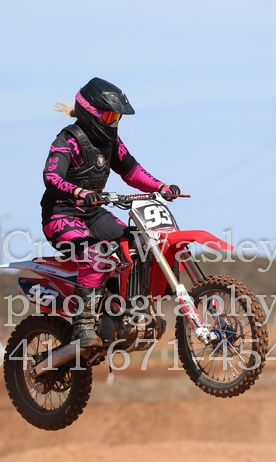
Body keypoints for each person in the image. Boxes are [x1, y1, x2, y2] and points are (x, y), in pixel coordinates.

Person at [41, 77, 180, 348]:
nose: (113, 122)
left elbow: (132, 172)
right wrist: (80, 192)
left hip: (93, 213)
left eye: (116, 117)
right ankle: (83, 326)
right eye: (109, 116)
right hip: (60, 214)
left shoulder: (112, 141)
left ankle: (131, 310)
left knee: (139, 243)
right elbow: (51, 177)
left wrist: (161, 186)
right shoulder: (67, 140)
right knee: (95, 255)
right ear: (90, 113)